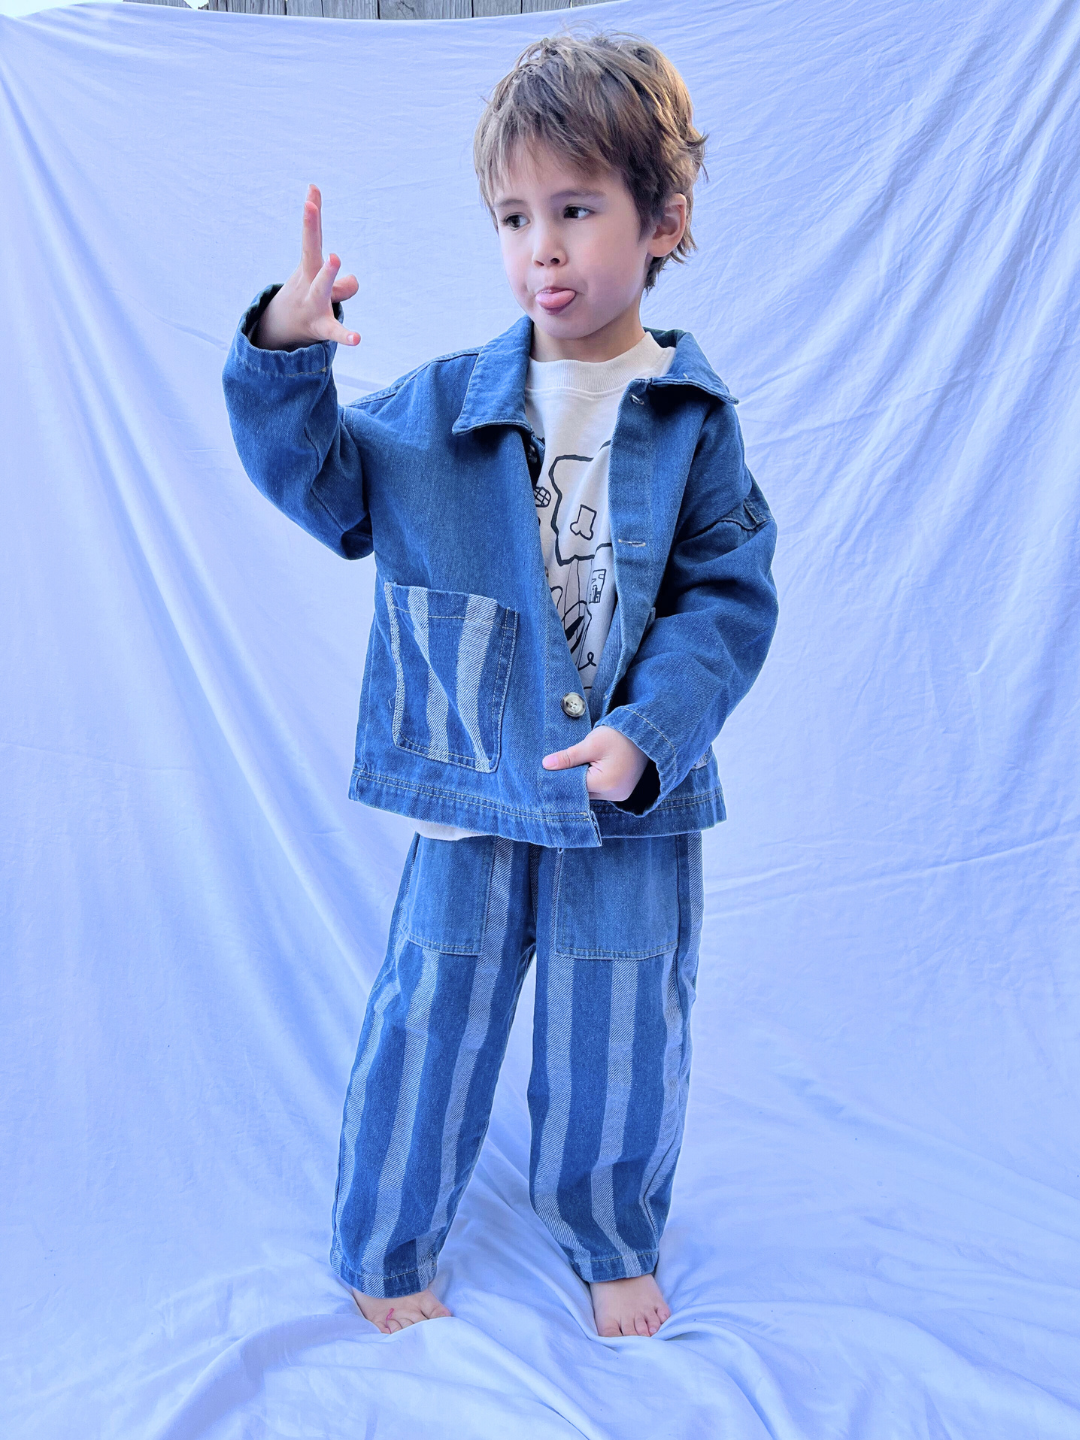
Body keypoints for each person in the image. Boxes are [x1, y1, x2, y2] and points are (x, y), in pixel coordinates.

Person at [222, 30, 778, 1340]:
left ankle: (610, 1235)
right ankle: (388, 1240)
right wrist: (286, 354)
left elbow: (731, 598)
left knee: (622, 1035)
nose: (543, 247)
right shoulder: (436, 408)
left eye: (577, 210)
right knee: (431, 1023)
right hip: (473, 778)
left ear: (663, 223)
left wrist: (651, 731)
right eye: (518, 215)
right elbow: (327, 489)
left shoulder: (695, 418)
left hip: (629, 801)